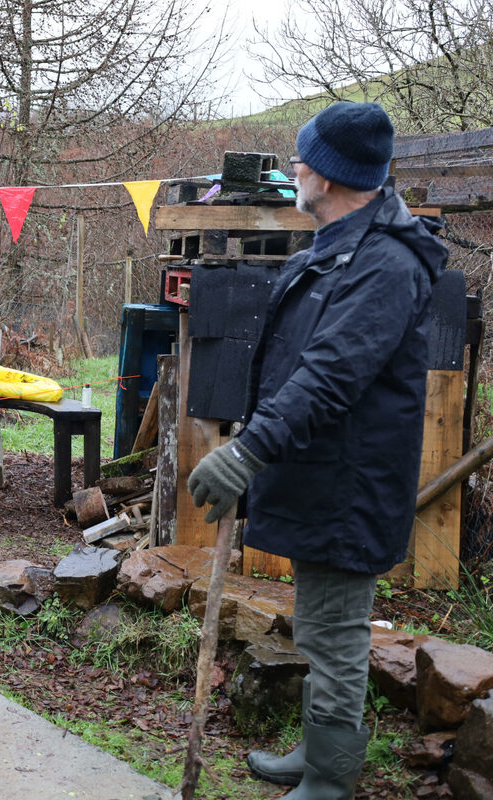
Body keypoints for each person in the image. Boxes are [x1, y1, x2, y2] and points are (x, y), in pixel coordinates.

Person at [187, 102, 447, 799]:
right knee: (318, 624)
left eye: (303, 157)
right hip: (318, 475)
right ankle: (317, 750)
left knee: (335, 634)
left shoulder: (387, 264)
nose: (294, 166)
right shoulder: (337, 247)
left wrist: (247, 455)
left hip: (348, 485)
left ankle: (331, 779)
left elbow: (331, 374)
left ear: (329, 175)